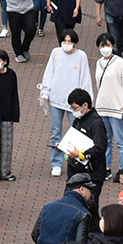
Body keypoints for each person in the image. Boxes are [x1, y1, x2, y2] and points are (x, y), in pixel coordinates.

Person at [40, 30, 92, 178]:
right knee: (56, 132)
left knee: (75, 133)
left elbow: (85, 78)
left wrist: (86, 101)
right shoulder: (56, 53)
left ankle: (74, 160)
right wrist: (45, 92)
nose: (67, 44)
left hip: (74, 103)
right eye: (64, 41)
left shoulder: (81, 56)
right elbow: (49, 73)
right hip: (56, 99)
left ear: (75, 42)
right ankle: (56, 163)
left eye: (70, 41)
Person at [93, 33, 123, 176]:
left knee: (121, 141)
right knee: (105, 140)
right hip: (102, 107)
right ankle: (106, 168)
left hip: (117, 107)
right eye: (103, 45)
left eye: (108, 45)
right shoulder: (98, 63)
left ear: (113, 45)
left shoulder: (120, 63)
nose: (105, 48)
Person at [65, 88, 110, 205]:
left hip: (91, 175)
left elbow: (100, 149)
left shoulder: (96, 123)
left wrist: (80, 155)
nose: (73, 111)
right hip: (75, 172)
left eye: (75, 108)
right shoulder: (78, 120)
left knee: (89, 206)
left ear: (85, 105)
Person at [0, 49, 21, 181]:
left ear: (5, 62)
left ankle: (5, 172)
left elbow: (14, 94)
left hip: (7, 113)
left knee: (7, 145)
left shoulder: (11, 74)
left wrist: (15, 114)